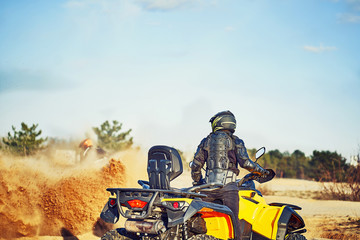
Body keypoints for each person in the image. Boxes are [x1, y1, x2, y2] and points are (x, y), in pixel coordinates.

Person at [190, 110, 269, 239]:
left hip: (208, 188)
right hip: (229, 188)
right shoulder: (236, 141)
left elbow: (196, 166)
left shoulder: (206, 141)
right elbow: (246, 163)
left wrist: (197, 183)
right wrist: (261, 171)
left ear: (218, 123)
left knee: (199, 219)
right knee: (233, 222)